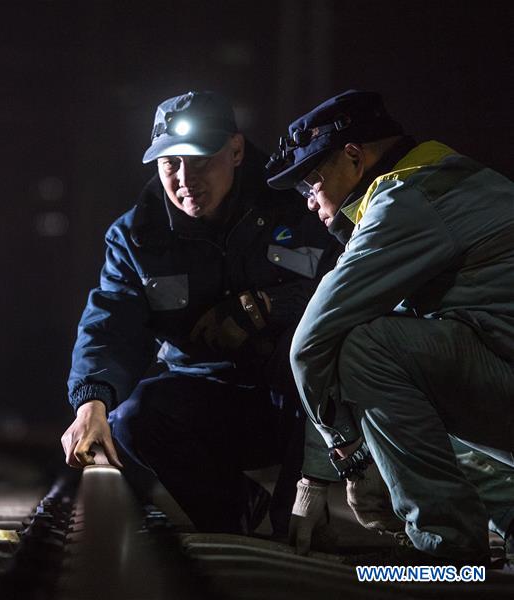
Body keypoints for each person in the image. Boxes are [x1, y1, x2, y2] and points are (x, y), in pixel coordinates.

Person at [61, 90, 342, 535]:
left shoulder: (302, 206)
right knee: (132, 417)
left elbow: (350, 290)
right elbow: (112, 323)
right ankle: (235, 518)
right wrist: (91, 400)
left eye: (201, 160)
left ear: (235, 151)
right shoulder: (136, 238)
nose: (185, 178)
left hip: (301, 401)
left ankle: (296, 521)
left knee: (316, 374)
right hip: (208, 401)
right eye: (170, 163)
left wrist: (266, 308)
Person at [265, 89, 514, 564]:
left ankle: (451, 557)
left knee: (370, 347)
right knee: (410, 361)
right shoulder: (445, 178)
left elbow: (311, 342)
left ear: (354, 156)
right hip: (501, 371)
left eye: (311, 182)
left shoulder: (406, 200)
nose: (309, 201)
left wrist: (351, 459)